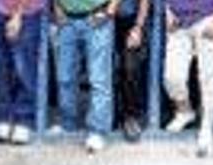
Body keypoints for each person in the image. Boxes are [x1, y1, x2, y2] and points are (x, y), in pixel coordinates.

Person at [163, 0, 213, 157]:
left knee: (210, 77)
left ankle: (206, 129)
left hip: (208, 18)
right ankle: (184, 111)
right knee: (172, 76)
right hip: (179, 21)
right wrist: (168, 12)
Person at [53, 0, 118, 153]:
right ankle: (67, 125)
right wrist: (57, 7)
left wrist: (110, 9)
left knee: (98, 79)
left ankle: (98, 131)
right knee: (64, 77)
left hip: (97, 16)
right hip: (67, 19)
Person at [0, 0, 45, 145]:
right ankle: (4, 116)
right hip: (0, 8)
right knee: (1, 66)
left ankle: (24, 119)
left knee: (24, 65)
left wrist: (17, 14)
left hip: (29, 11)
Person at [114, 0, 149, 142]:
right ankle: (112, 115)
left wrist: (138, 27)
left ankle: (131, 116)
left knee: (130, 68)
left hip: (131, 20)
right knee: (108, 71)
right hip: (103, 18)